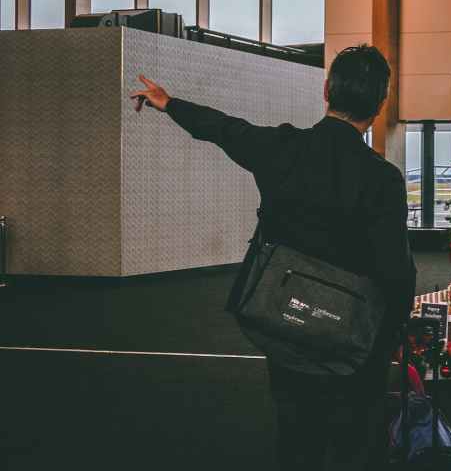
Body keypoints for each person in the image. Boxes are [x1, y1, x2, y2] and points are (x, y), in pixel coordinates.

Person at [129, 45, 416, 471]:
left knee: (296, 439)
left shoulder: (280, 149)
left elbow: (223, 128)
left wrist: (168, 103)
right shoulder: (383, 179)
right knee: (357, 443)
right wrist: (394, 334)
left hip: (286, 324)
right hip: (356, 338)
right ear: (380, 103)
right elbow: (396, 272)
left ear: (326, 90)